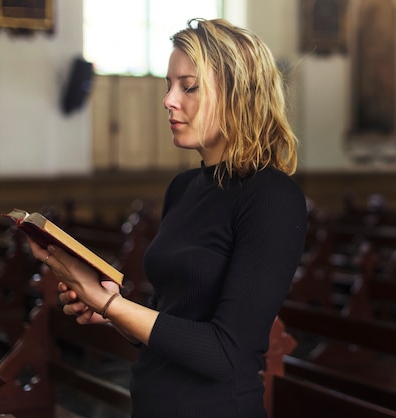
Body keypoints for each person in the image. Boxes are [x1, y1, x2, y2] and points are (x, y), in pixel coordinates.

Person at [28, 18, 307, 418]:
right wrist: (110, 312)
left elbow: (225, 352)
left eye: (188, 86)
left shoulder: (272, 198)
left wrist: (110, 304)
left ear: (238, 95)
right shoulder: (183, 188)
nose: (169, 100)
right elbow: (170, 324)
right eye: (169, 85)